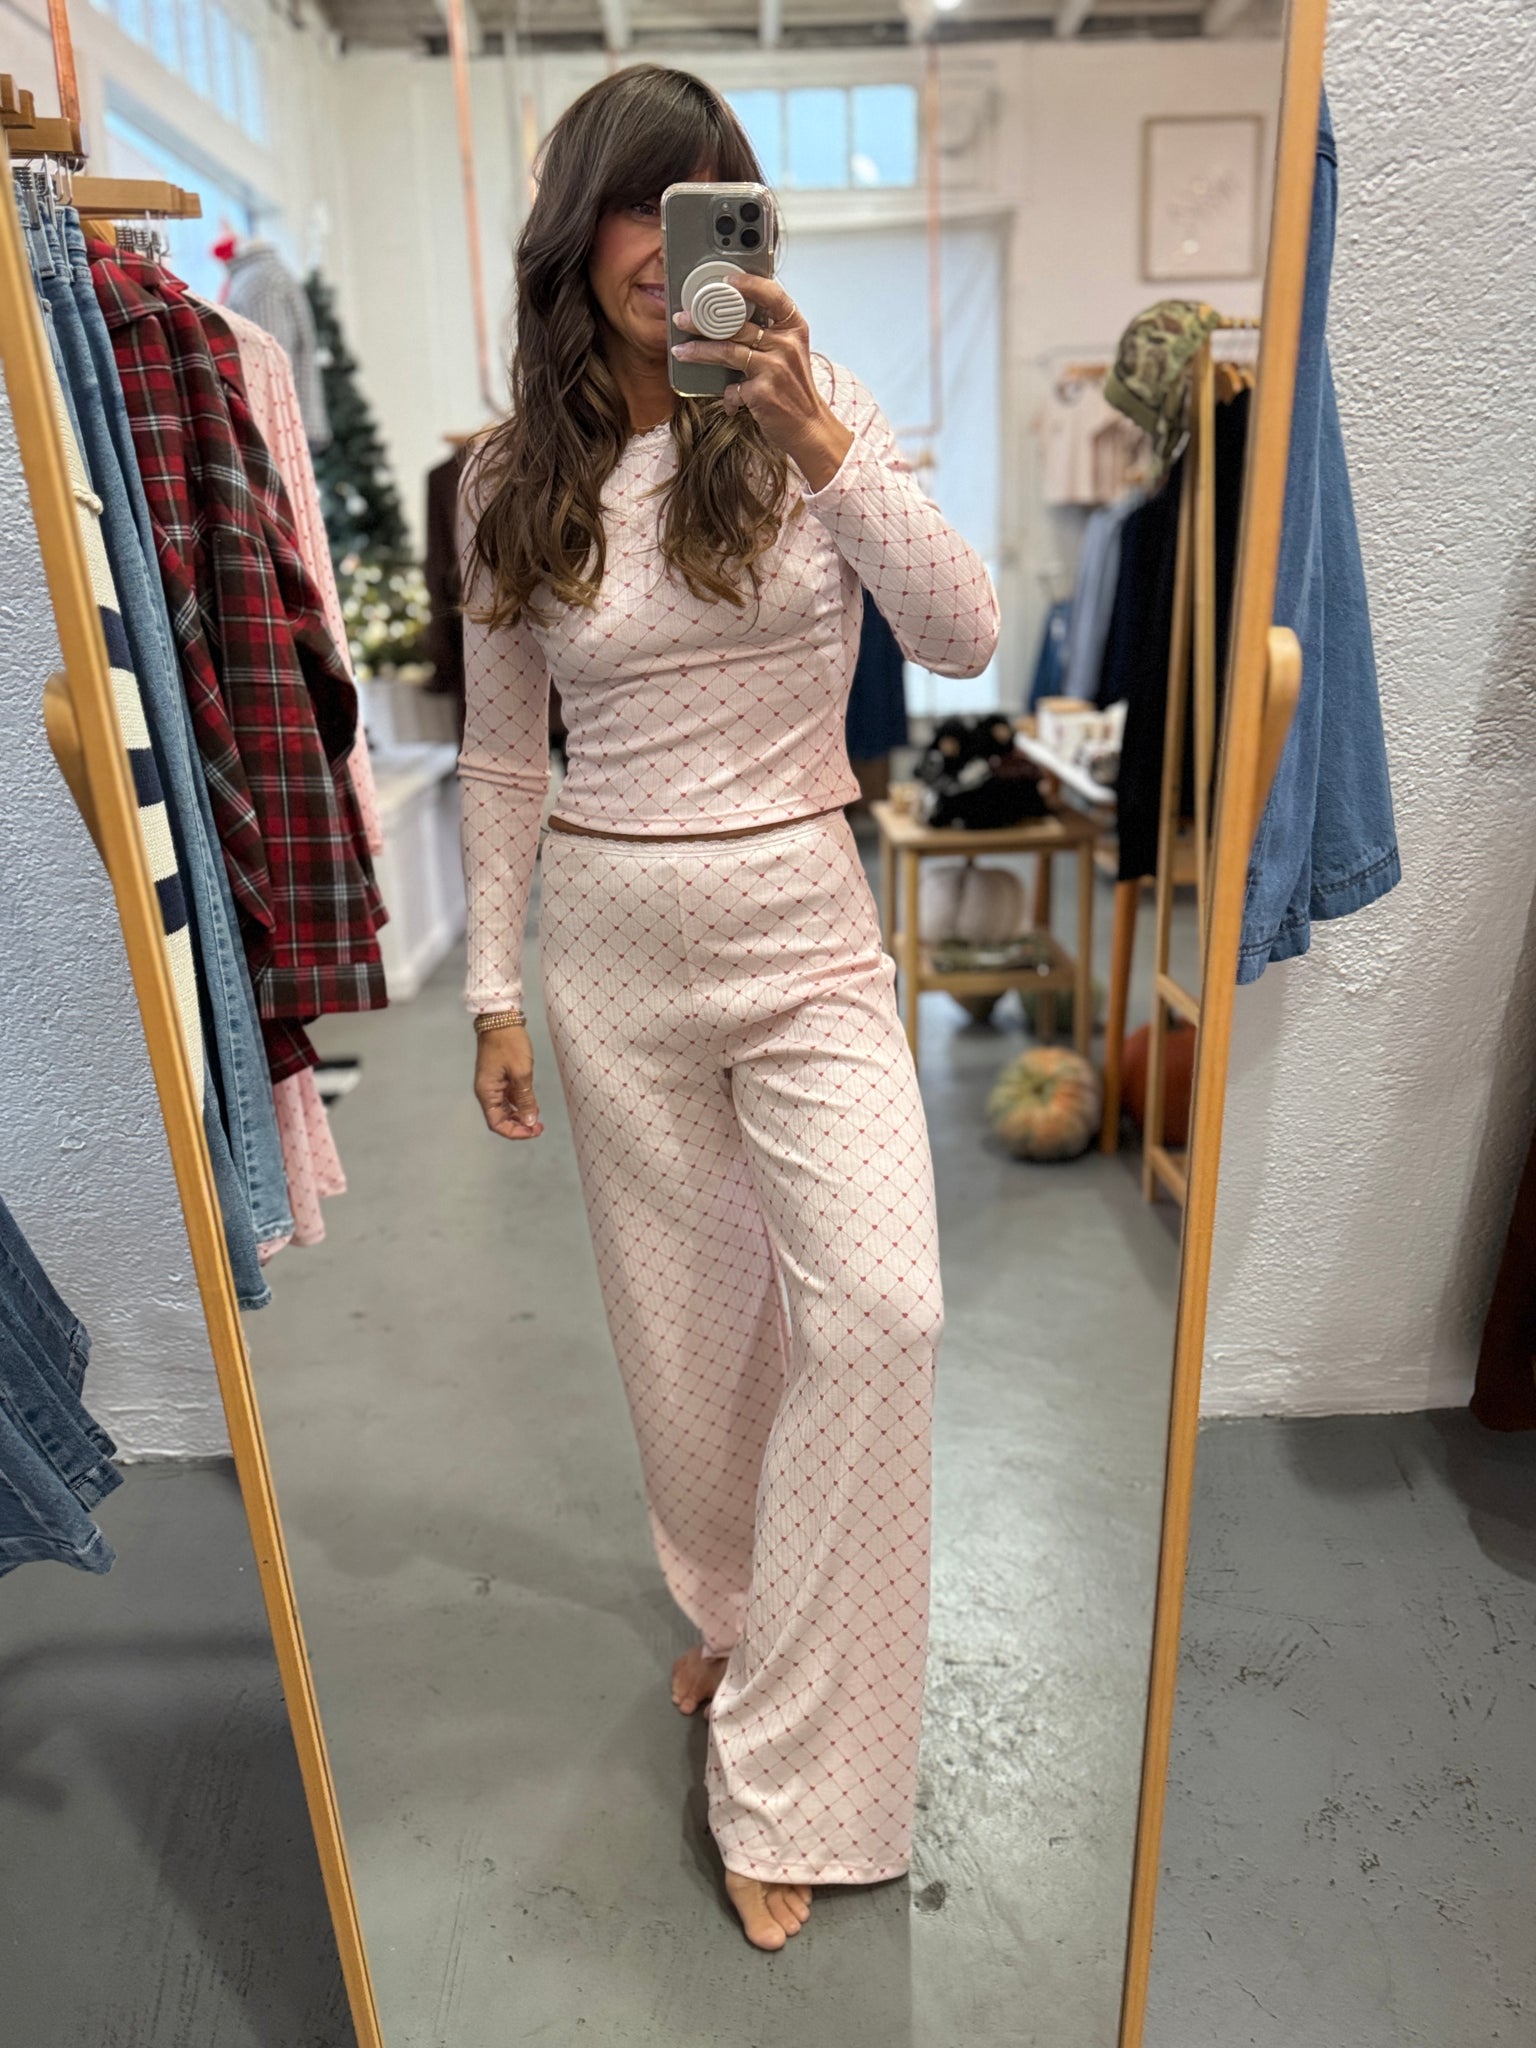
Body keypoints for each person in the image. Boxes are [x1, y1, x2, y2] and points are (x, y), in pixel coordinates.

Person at [458, 63, 998, 1952]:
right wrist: (491, 988)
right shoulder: (509, 481)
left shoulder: (807, 408)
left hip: (804, 931)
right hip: (611, 953)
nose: (659, 245)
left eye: (701, 202)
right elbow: (504, 756)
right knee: (691, 1362)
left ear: (743, 230)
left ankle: (787, 1772)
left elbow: (962, 633)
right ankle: (748, 1622)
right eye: (634, 201)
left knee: (883, 1312)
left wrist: (822, 442)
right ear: (576, 230)